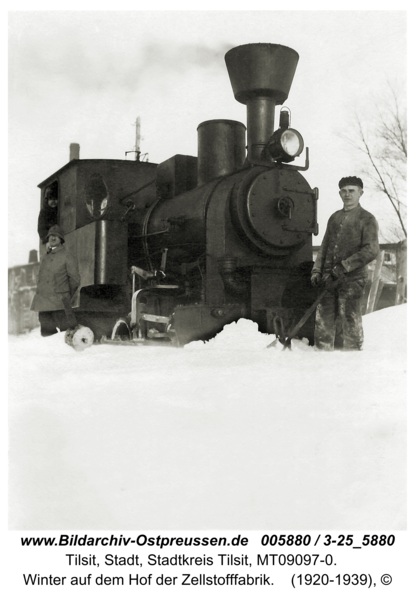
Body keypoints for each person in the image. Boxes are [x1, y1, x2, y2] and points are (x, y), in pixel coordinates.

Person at [311, 176, 379, 351]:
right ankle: (321, 360)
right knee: (323, 322)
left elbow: (371, 250)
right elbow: (325, 246)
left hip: (352, 279)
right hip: (329, 279)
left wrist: (345, 266)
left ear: (360, 193)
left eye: (352, 191)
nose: (347, 194)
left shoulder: (367, 218)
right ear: (340, 193)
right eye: (344, 191)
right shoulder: (334, 217)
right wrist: (317, 271)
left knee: (350, 320)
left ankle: (353, 362)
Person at [31, 225, 80, 337]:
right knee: (47, 340)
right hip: (43, 306)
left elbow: (75, 280)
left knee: (68, 338)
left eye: (56, 236)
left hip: (60, 305)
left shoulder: (67, 255)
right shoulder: (46, 256)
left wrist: (66, 295)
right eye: (50, 236)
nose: (52, 238)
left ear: (61, 239)